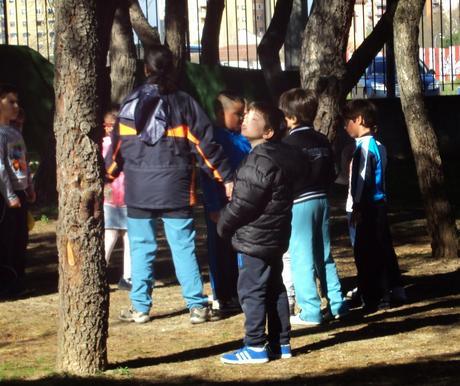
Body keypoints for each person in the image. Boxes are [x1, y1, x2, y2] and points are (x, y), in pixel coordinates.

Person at [105, 45, 233, 324]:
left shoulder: (130, 103)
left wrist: (108, 175)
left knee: (141, 247)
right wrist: (226, 177)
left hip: (138, 190)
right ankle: (197, 307)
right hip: (176, 188)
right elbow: (205, 145)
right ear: (172, 68)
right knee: (183, 246)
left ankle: (140, 308)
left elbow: (116, 150)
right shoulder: (184, 102)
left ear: (145, 69)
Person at [218, 102, 303, 364]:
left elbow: (244, 205)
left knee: (251, 289)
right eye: (244, 116)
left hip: (256, 237)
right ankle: (281, 343)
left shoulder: (260, 160)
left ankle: (254, 346)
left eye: (253, 118)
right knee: (274, 287)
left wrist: (223, 224)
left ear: (268, 132)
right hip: (275, 235)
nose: (244, 121)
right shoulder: (281, 156)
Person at [279, 88, 349, 325]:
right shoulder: (321, 139)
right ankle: (338, 305)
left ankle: (310, 311)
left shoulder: (287, 144)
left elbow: (284, 177)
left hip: (299, 203)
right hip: (322, 200)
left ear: (291, 117)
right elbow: (332, 172)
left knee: (301, 257)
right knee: (324, 255)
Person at [342, 99, 406, 313]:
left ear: (359, 120)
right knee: (382, 248)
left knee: (366, 253)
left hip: (367, 206)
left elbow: (362, 179)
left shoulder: (364, 147)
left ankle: (374, 297)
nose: (345, 127)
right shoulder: (380, 145)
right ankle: (393, 290)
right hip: (378, 204)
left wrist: (357, 206)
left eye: (348, 122)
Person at [200, 91, 250, 317]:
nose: (241, 119)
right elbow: (208, 175)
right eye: (237, 114)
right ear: (221, 113)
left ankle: (241, 292)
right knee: (220, 252)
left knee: (240, 248)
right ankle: (222, 294)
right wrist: (212, 206)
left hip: (242, 204)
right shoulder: (212, 139)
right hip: (220, 207)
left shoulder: (242, 138)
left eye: (243, 115)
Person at [0, 84, 35, 297]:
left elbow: (23, 159)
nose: (16, 106)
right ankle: (6, 283)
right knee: (7, 238)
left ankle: (18, 280)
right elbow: (1, 166)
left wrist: (29, 185)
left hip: (20, 191)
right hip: (6, 195)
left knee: (20, 237)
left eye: (17, 102)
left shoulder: (14, 132)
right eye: (10, 101)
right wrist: (10, 194)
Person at [102, 106, 132, 291]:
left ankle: (128, 276)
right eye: (108, 125)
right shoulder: (104, 144)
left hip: (128, 197)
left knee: (129, 238)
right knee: (110, 236)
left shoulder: (126, 144)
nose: (111, 129)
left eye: (115, 125)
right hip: (110, 197)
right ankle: (99, 271)